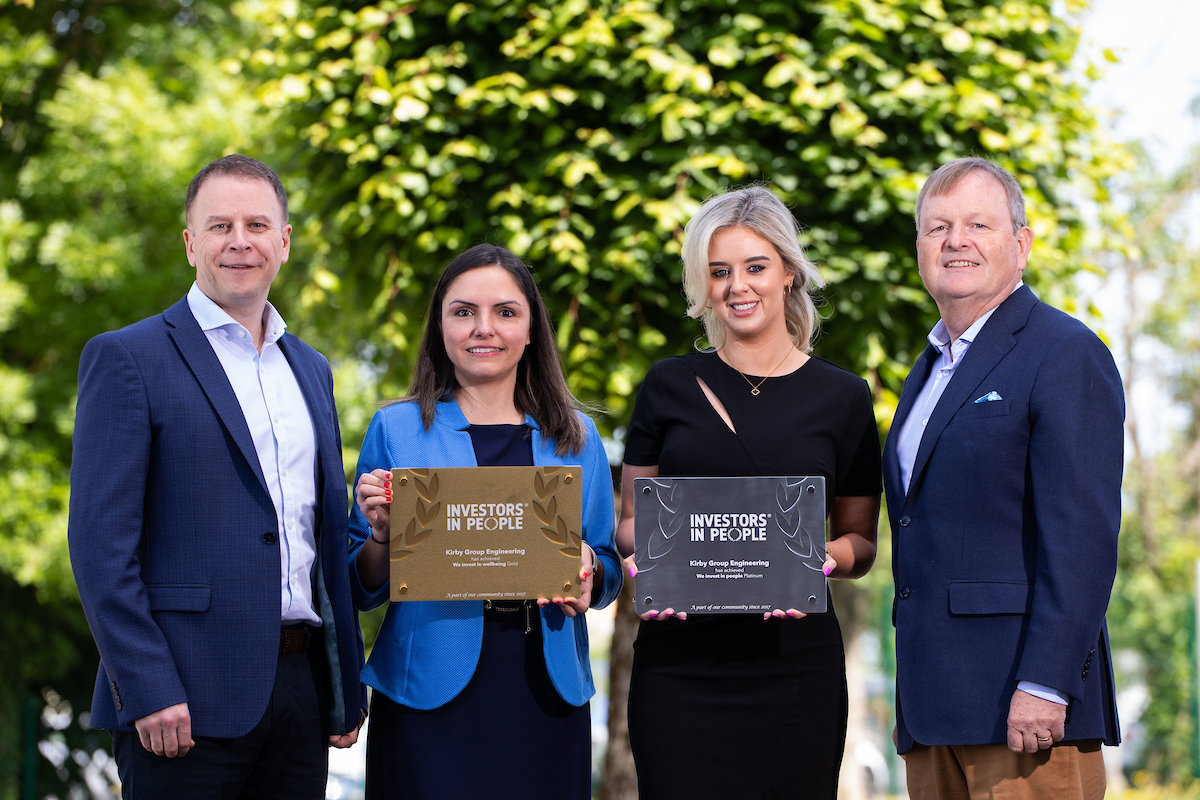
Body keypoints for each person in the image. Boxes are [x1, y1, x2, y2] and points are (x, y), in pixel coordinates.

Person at [67, 154, 365, 799]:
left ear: (284, 242)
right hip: (181, 702)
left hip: (301, 694)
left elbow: (318, 539)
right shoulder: (127, 358)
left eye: (257, 225)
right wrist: (147, 686)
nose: (239, 241)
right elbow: (99, 546)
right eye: (219, 225)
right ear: (190, 243)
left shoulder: (311, 370)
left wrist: (344, 688)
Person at [616, 186, 882, 799]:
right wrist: (655, 560)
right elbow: (631, 522)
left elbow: (861, 543)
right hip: (679, 666)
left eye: (755, 267)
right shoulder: (668, 384)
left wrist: (823, 560)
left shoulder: (844, 398)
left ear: (788, 272)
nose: (738, 286)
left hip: (794, 668)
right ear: (702, 284)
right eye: (719, 272)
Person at [882, 157, 1123, 799]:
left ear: (1021, 245)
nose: (955, 240)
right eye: (938, 227)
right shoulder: (928, 371)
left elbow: (1083, 540)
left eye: (977, 224)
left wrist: (1046, 683)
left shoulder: (1065, 352)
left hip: (1028, 719)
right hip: (934, 714)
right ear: (919, 249)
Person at [350, 243, 622, 800]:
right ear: (440, 327)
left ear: (530, 329)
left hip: (546, 692)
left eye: (505, 311)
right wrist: (381, 534)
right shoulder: (396, 429)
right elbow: (361, 584)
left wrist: (590, 568)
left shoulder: (576, 438)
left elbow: (609, 569)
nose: (484, 329)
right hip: (428, 689)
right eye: (463, 311)